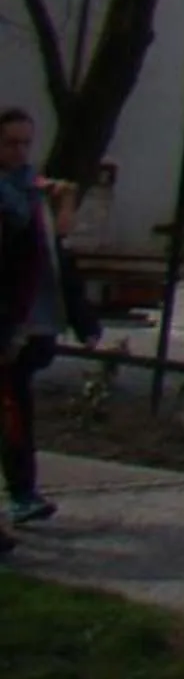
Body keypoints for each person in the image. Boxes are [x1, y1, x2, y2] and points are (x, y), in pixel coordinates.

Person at [0, 105, 83, 541]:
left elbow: (58, 244)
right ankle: (21, 493)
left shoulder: (29, 193)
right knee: (13, 410)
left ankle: (22, 493)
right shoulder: (11, 199)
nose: (19, 152)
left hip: (29, 320)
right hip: (10, 321)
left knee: (16, 408)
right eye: (10, 143)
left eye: (25, 143)